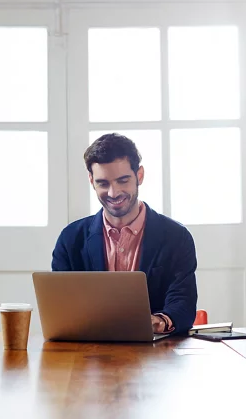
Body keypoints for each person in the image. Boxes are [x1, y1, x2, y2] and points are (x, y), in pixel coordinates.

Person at [51, 133, 198, 335]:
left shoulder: (177, 237)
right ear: (91, 180)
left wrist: (159, 321)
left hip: (156, 355)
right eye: (103, 183)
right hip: (88, 355)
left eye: (123, 180)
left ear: (140, 175)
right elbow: (60, 307)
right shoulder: (70, 239)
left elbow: (183, 303)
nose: (113, 193)